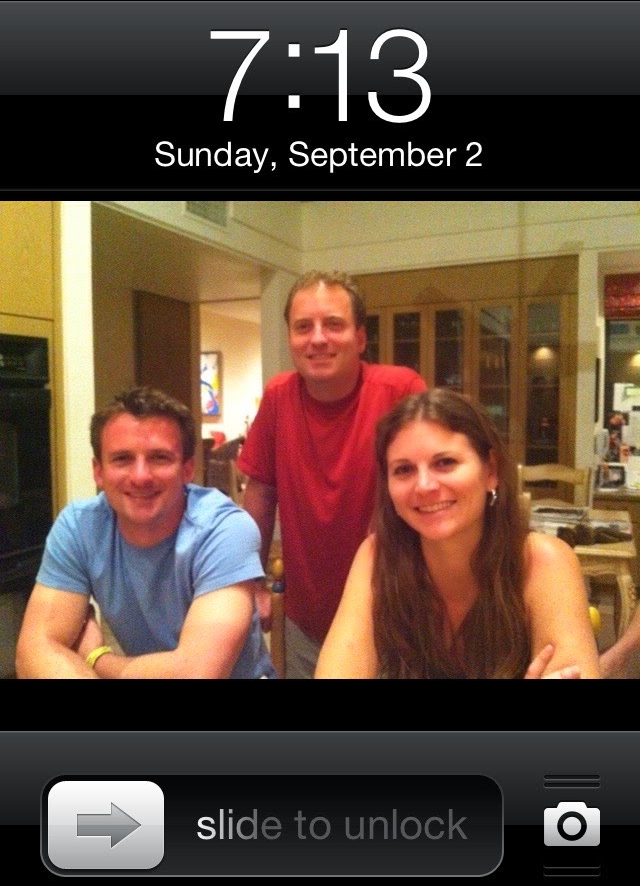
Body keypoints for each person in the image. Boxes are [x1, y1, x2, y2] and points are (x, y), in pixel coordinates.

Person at [315, 388, 601, 679]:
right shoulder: (377, 556)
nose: (424, 486)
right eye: (404, 470)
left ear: (491, 471)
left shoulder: (544, 560)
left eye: (445, 463)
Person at [238, 270, 427, 678]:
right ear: (290, 338)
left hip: (395, 616)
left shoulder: (400, 391)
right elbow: (260, 492)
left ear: (360, 338)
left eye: (333, 325)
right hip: (307, 620)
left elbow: (429, 491)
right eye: (303, 327)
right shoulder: (278, 397)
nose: (318, 338)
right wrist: (251, 580)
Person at [15, 386, 275, 679]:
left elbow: (195, 674)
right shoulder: (78, 527)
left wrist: (96, 659)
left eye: (159, 458)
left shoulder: (225, 530)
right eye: (122, 459)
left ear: (188, 469)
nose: (141, 476)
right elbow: (35, 651)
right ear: (98, 472)